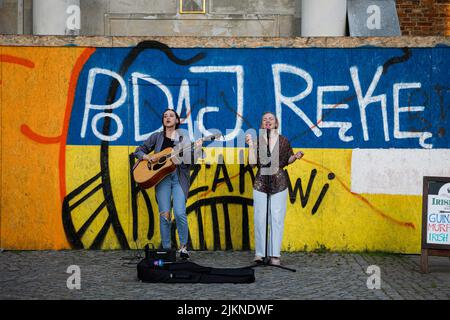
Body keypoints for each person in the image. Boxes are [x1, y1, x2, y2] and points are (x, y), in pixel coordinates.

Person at [134, 109, 201, 259]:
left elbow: (191, 163)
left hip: (178, 178)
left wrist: (196, 149)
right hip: (161, 179)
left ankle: (183, 248)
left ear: (177, 120)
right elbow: (138, 151)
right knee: (164, 215)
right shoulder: (156, 137)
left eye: (171, 116)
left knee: (179, 213)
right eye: (165, 116)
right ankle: (166, 250)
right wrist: (147, 157)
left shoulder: (184, 138)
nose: (168, 118)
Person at [245, 112, 304, 266]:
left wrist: (295, 157)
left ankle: (274, 255)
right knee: (260, 218)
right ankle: (260, 253)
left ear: (276, 123)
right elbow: (252, 164)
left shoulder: (284, 141)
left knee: (277, 218)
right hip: (261, 181)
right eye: (264, 119)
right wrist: (250, 146)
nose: (268, 121)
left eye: (271, 119)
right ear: (261, 124)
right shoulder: (257, 141)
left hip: (279, 181)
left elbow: (287, 159)